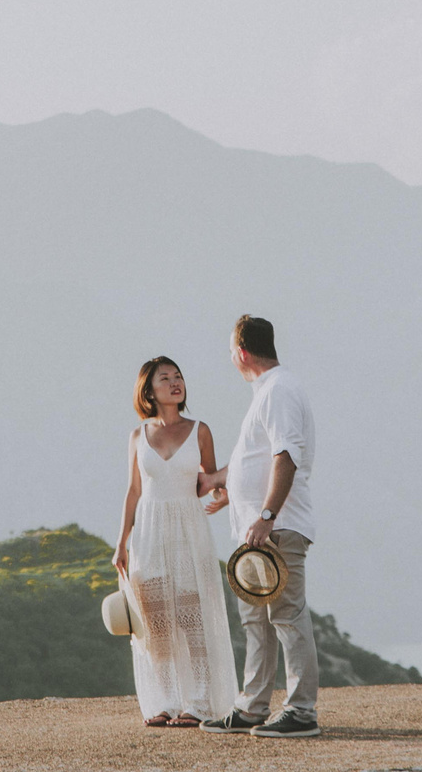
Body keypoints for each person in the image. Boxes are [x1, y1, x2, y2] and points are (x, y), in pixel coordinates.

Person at [199, 314, 320, 738]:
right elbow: (257, 458)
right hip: (255, 532)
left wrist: (267, 515)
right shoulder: (267, 391)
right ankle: (251, 707)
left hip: (276, 527)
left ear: (241, 353)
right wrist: (223, 483)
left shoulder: (279, 390)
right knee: (255, 619)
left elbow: (285, 455)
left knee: (286, 615)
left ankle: (302, 711)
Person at [112, 356, 237, 727]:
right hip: (149, 530)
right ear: (149, 390)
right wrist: (121, 542)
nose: (174, 382)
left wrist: (224, 493)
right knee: (156, 623)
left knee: (192, 617)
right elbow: (133, 491)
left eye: (178, 376)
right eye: (164, 378)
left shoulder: (200, 430)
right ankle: (164, 701)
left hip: (187, 529)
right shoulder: (138, 436)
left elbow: (210, 479)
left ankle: (197, 703)